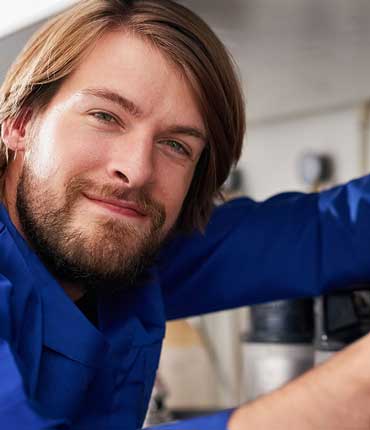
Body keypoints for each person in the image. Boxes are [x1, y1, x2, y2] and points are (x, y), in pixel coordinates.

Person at [0, 0, 370, 429]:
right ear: (20, 122)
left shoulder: (126, 248)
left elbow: (326, 233)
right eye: (105, 116)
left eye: (176, 145)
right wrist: (353, 391)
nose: (137, 171)